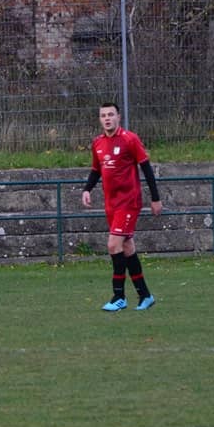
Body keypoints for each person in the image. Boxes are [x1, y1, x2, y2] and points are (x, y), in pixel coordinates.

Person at [82, 102, 162, 311]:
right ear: (100, 119)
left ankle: (119, 297)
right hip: (111, 204)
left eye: (111, 114)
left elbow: (146, 168)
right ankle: (145, 295)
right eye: (103, 115)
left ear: (119, 117)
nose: (107, 118)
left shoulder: (129, 139)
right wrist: (87, 189)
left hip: (129, 202)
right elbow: (96, 170)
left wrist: (155, 198)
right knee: (127, 247)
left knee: (113, 245)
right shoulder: (98, 143)